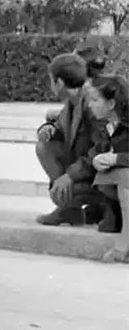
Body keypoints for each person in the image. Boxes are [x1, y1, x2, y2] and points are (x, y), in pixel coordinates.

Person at [35, 53, 99, 226]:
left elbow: (101, 150)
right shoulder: (73, 101)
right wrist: (49, 130)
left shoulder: (92, 105)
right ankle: (69, 209)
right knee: (44, 147)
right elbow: (62, 128)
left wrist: (69, 176)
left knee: (62, 190)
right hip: (86, 166)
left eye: (51, 80)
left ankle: (78, 206)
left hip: (101, 173)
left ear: (60, 83)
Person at [76, 75, 129, 260]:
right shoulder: (106, 126)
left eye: (95, 100)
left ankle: (124, 243)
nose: (90, 105)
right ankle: (115, 217)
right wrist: (97, 159)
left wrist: (117, 158)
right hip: (113, 187)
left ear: (112, 103)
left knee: (125, 176)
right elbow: (96, 151)